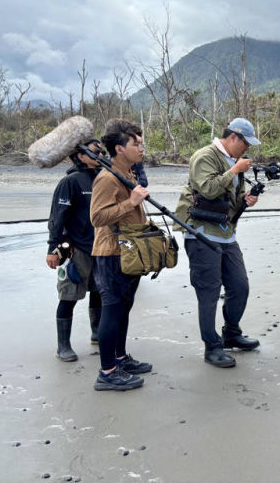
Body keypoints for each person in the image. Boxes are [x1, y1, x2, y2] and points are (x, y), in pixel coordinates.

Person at [174, 118, 261, 368]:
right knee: (209, 292)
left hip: (226, 233)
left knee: (240, 286)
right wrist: (234, 171)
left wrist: (246, 199)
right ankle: (212, 347)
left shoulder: (235, 161)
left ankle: (231, 334)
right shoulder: (205, 156)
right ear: (233, 137)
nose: (247, 149)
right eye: (246, 143)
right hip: (201, 233)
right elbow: (208, 190)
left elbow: (231, 199)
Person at [90, 119, 152, 391]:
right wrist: (131, 202)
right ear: (119, 148)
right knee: (112, 309)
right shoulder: (107, 178)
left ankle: (119, 358)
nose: (141, 148)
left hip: (129, 251)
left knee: (124, 307)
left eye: (141, 143)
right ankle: (107, 373)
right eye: (136, 144)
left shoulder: (128, 173)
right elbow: (97, 217)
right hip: (111, 253)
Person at [45, 139, 104, 361]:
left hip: (100, 247)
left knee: (99, 292)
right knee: (68, 297)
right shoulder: (70, 182)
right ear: (81, 155)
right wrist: (53, 248)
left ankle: (97, 333)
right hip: (76, 250)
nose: (101, 155)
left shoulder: (102, 178)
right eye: (96, 151)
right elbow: (57, 217)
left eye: (102, 151)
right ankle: (63, 346)